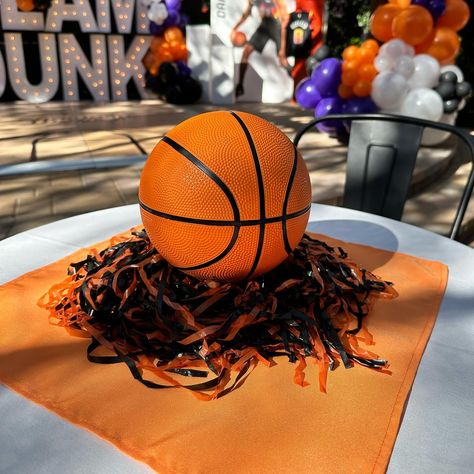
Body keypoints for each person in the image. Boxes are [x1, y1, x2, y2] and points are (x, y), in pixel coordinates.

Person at [231, 0, 290, 98]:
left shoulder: (277, 1)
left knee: (282, 59)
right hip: (264, 25)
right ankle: (240, 85)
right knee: (246, 52)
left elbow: (284, 22)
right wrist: (235, 28)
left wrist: (282, 49)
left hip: (276, 25)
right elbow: (246, 14)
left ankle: (297, 80)